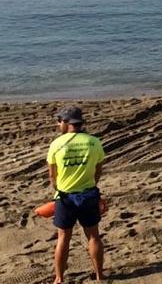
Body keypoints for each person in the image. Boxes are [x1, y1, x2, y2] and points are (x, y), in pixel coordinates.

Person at [47, 106, 106, 284]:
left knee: (63, 237)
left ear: (66, 123)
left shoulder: (57, 144)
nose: (58, 125)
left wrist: (57, 189)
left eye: (59, 121)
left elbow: (52, 175)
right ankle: (99, 275)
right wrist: (91, 186)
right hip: (88, 194)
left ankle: (59, 278)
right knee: (93, 235)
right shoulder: (94, 142)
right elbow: (98, 169)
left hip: (65, 197)